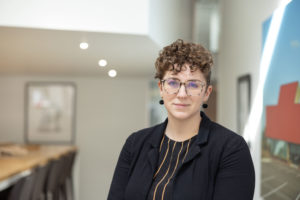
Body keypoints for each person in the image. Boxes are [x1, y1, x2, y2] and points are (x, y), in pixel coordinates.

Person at [107, 39, 255, 200]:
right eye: (173, 82)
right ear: (161, 88)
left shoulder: (231, 149)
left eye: (193, 85)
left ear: (206, 92)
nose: (182, 94)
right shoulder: (135, 143)